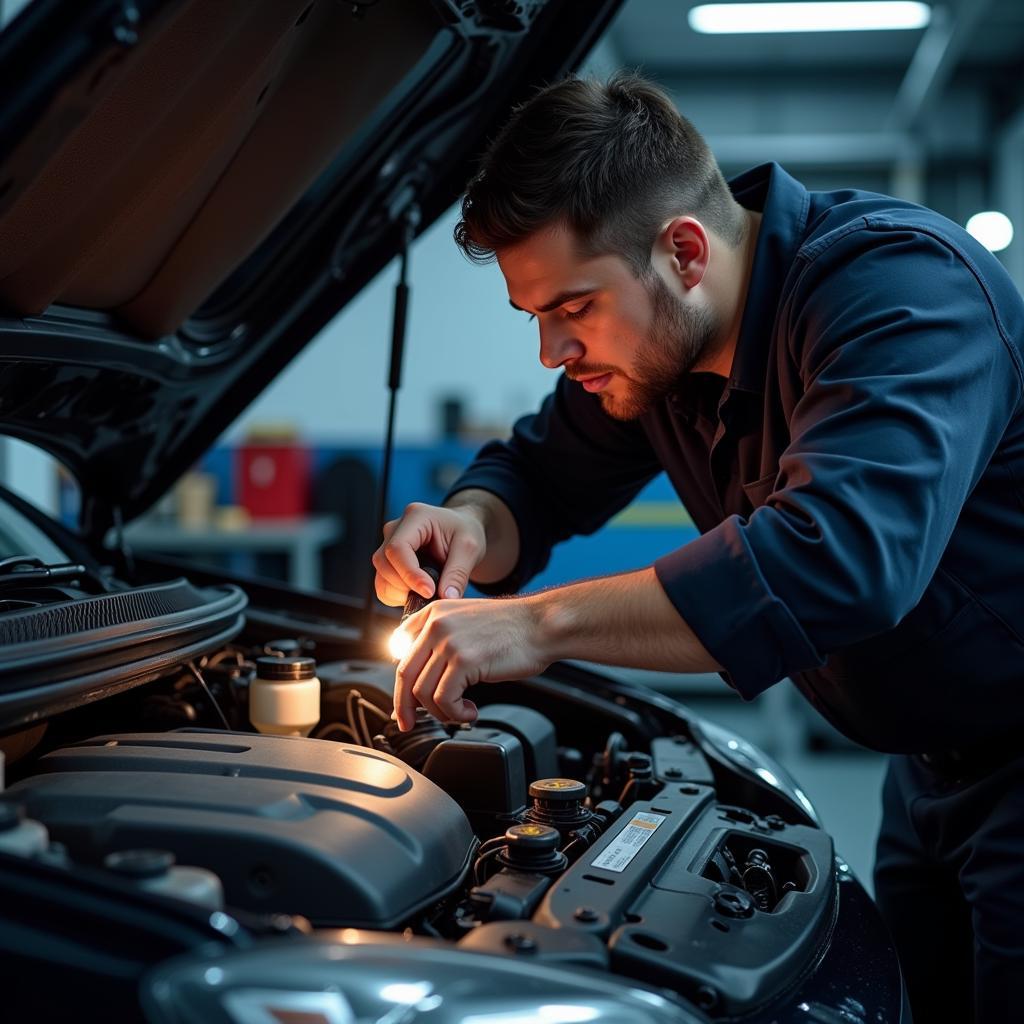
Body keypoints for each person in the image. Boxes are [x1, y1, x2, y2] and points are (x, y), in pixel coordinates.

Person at [370, 73, 1024, 1022]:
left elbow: (835, 561)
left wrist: (535, 626)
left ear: (682, 250)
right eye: (535, 318)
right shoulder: (661, 359)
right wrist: (469, 519)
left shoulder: (902, 293)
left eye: (573, 307)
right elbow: (539, 477)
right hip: (924, 772)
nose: (553, 352)